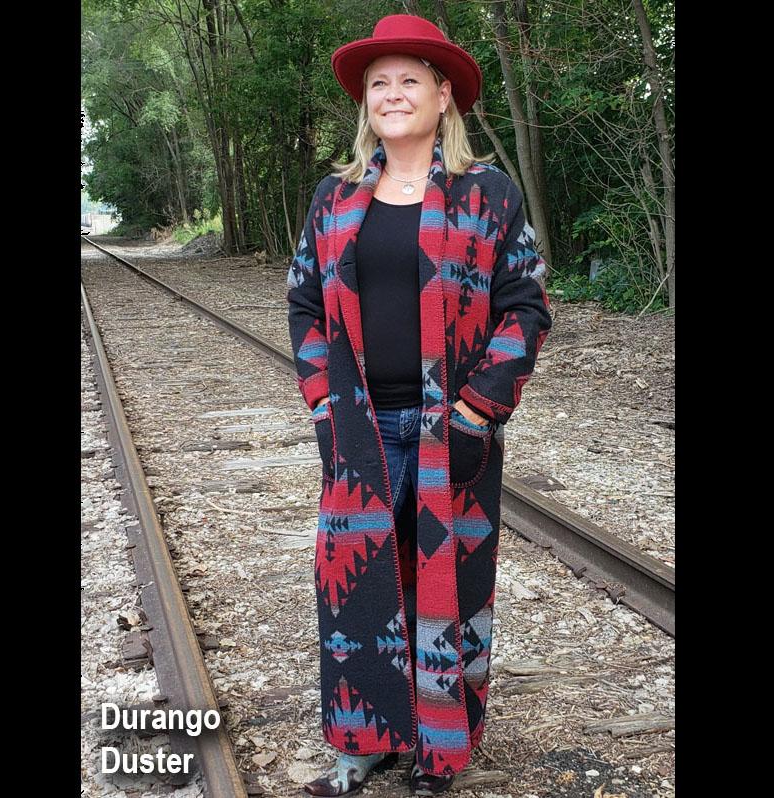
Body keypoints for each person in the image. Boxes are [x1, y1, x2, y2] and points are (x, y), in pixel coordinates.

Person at [287, 14, 552, 796]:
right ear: (365, 102)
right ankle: (365, 740)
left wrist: (479, 411)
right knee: (359, 585)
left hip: (452, 429)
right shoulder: (334, 199)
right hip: (361, 429)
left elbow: (527, 305)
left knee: (448, 590)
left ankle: (439, 748)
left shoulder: (487, 195)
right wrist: (324, 407)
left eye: (410, 80)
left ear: (443, 96)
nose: (393, 94)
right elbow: (304, 305)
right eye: (380, 83)